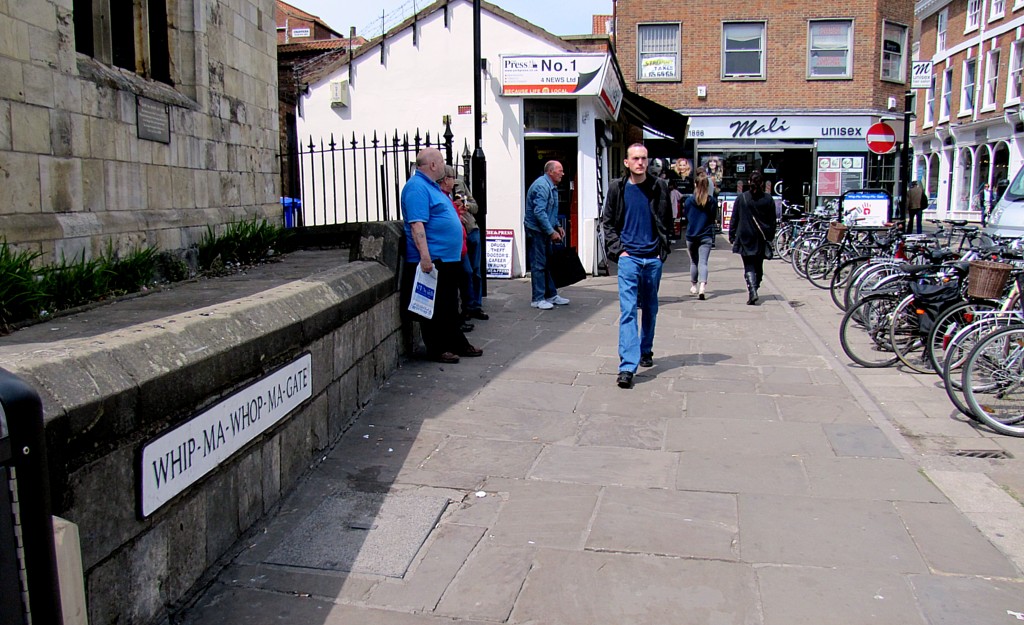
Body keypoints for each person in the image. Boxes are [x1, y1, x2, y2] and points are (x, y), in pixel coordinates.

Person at [601, 143, 673, 389]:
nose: (641, 162)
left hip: (652, 258)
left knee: (650, 308)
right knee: (629, 310)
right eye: (636, 158)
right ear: (627, 162)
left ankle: (646, 349)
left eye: (644, 158)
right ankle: (627, 367)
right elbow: (607, 222)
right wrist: (618, 251)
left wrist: (661, 251)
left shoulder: (658, 187)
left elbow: (666, 219)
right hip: (629, 258)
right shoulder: (617, 189)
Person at [400, 148, 482, 363]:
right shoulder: (417, 187)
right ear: (433, 165)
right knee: (434, 307)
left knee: (448, 304)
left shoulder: (432, 187)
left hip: (446, 258)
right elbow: (417, 224)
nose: (445, 166)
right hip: (434, 259)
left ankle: (457, 343)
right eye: (442, 162)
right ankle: (437, 349)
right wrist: (425, 257)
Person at [525, 161, 570, 310]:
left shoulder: (551, 187)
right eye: (560, 171)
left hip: (544, 229)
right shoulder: (542, 186)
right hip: (537, 231)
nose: (562, 174)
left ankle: (551, 294)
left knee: (548, 263)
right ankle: (537, 299)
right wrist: (551, 232)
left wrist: (556, 226)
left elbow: (551, 210)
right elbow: (539, 212)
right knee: (538, 264)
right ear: (550, 172)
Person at [729, 169, 777, 305]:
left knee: (748, 265)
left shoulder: (742, 198)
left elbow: (734, 218)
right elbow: (772, 220)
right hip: (761, 237)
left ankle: (752, 291)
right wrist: (771, 236)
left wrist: (732, 234)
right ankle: (755, 287)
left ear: (749, 182)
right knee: (758, 265)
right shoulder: (768, 199)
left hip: (745, 236)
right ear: (762, 183)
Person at [453, 175, 487, 320]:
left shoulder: (460, 184)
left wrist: (466, 205)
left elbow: (476, 207)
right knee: (466, 272)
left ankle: (476, 306)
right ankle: (468, 306)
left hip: (472, 230)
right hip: (459, 235)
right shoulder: (439, 190)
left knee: (476, 271)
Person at [684, 171, 718, 300]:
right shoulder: (712, 201)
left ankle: (693, 285)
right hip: (706, 235)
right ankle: (702, 286)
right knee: (703, 262)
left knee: (694, 261)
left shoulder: (689, 201)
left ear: (695, 184)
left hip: (691, 235)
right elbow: (713, 217)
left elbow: (686, 215)